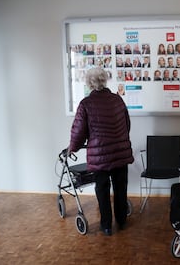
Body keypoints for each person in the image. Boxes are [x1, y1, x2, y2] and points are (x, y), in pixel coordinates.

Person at [68, 67, 134, 236]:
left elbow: (78, 132)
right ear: (105, 80)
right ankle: (122, 221)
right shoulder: (117, 100)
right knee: (121, 188)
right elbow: (127, 125)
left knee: (102, 190)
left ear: (89, 83)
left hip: (100, 158)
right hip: (120, 153)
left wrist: (72, 148)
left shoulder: (86, 104)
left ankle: (106, 226)